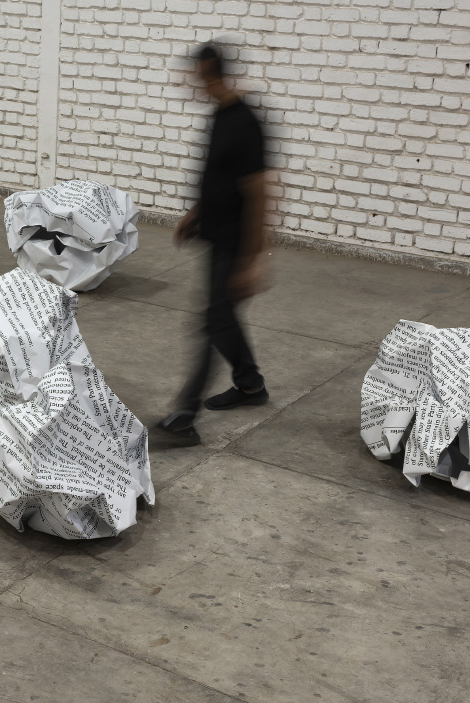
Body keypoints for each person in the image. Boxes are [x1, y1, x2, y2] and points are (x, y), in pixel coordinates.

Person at [158, 42, 270, 441]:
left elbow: (259, 193)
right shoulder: (220, 116)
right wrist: (196, 213)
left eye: (197, 78)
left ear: (211, 75)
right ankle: (250, 385)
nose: (193, 86)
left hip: (235, 244)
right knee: (221, 320)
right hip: (217, 234)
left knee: (211, 323)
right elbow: (219, 176)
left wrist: (252, 260)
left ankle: (184, 417)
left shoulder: (245, 122)